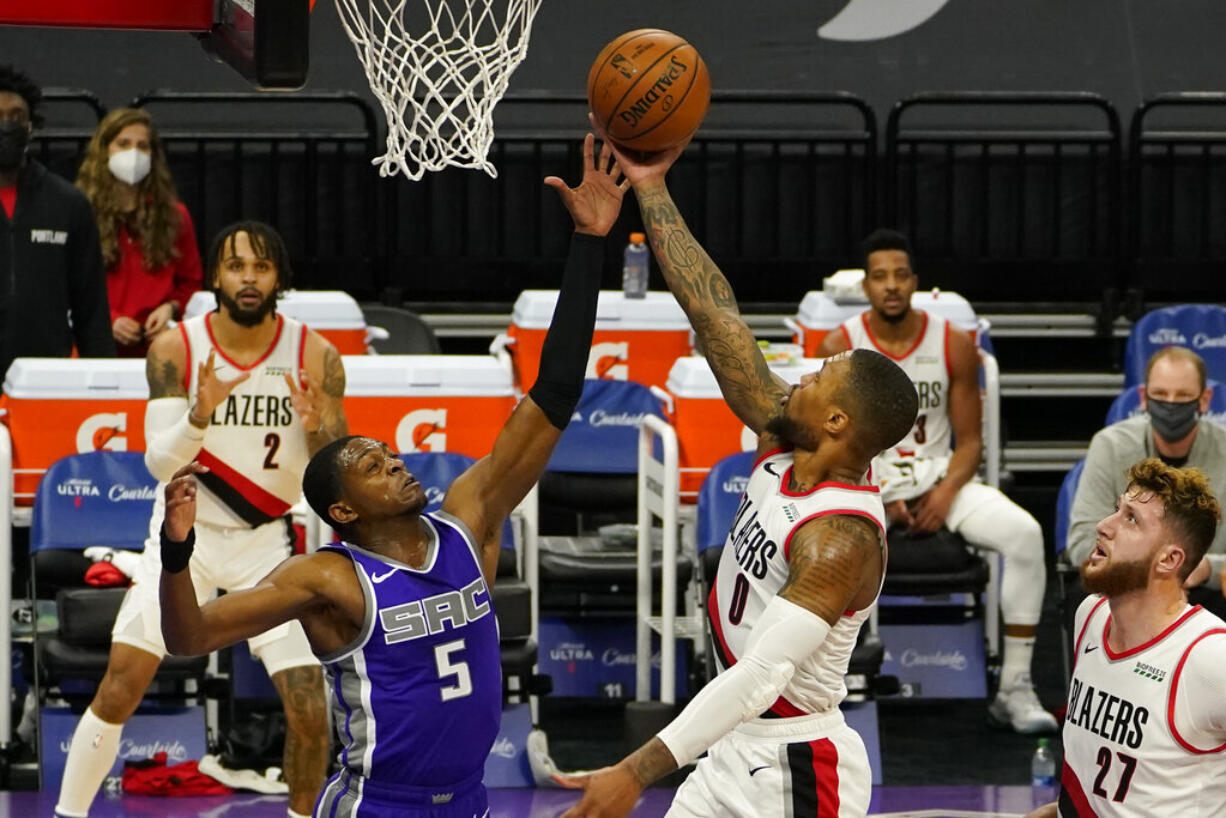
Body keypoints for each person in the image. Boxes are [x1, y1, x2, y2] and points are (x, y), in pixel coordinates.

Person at [155, 134, 627, 817]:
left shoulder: (470, 520)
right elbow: (189, 638)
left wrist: (589, 245)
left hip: (468, 802)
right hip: (376, 805)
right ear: (342, 511)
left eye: (391, 454)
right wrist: (177, 553)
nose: (396, 463)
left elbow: (554, 394)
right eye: (372, 466)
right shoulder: (326, 579)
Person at [557, 132, 919, 818]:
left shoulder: (842, 538)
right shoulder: (787, 430)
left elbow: (761, 675)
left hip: (797, 763)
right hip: (731, 740)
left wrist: (634, 772)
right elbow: (714, 313)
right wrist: (651, 187)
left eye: (819, 377)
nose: (802, 376)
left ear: (839, 423)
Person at [55, 220, 348, 818]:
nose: (248, 278)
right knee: (120, 684)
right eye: (236, 266)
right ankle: (66, 816)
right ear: (215, 274)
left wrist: (319, 425)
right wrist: (199, 414)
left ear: (277, 278)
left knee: (309, 706)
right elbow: (161, 464)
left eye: (261, 268)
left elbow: (336, 472)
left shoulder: (316, 354)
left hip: (267, 547)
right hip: (184, 543)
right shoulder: (175, 350)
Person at [816, 228, 1056, 734]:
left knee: (1026, 535)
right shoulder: (841, 347)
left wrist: (945, 494)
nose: (892, 286)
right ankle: (823, 687)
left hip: (938, 479)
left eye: (901, 275)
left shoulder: (953, 343)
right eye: (880, 277)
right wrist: (880, 497)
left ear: (915, 282)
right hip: (866, 486)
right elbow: (834, 441)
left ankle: (1014, 686)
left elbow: (970, 442)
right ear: (865, 286)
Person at [1025, 458, 1226, 818]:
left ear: (1169, 560)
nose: (1103, 526)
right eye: (1116, 510)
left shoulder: (1209, 657)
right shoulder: (1091, 615)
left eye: (1130, 519)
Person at [1067, 346, 1226, 617]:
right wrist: (1149, 569)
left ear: (1204, 399)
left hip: (1205, 589)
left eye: (1184, 395)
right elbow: (1082, 542)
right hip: (1125, 584)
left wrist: (1208, 568)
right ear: (1143, 397)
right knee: (1082, 597)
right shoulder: (1110, 446)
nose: (1171, 404)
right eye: (1161, 395)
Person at [0, 64, 112, 380]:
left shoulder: (68, 203)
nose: (6, 125)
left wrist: (103, 382)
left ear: (31, 126)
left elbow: (91, 309)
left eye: (16, 116)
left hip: (44, 376)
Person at [76, 107, 202, 357]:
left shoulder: (175, 215)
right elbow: (67, 285)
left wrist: (171, 309)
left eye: (142, 146)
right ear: (104, 150)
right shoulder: (79, 212)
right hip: (95, 346)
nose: (133, 153)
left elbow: (191, 282)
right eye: (123, 143)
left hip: (156, 348)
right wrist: (108, 319)